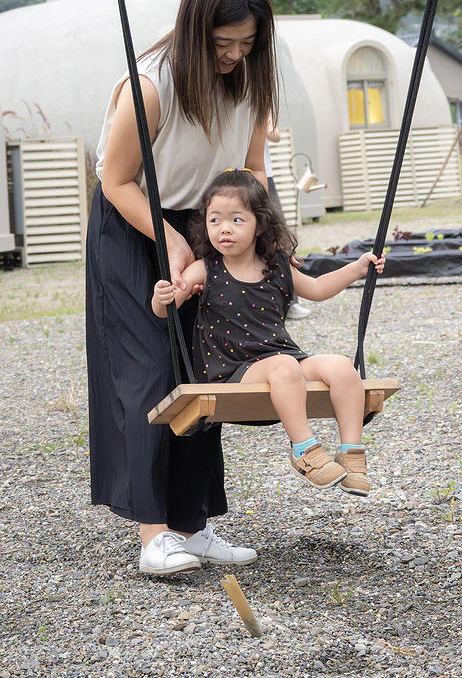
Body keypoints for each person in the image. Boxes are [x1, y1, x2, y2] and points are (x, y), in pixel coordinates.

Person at [87, 0, 279, 576]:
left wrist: (262, 237)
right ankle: (153, 535)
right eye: (223, 44)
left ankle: (194, 525)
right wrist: (168, 239)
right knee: (149, 368)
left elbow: (251, 176)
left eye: (247, 44)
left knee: (204, 370)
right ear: (196, 33)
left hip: (207, 221)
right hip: (133, 221)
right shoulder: (151, 85)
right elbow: (114, 179)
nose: (234, 55)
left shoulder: (249, 83)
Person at [152, 169, 386, 497]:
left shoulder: (276, 266)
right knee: (284, 367)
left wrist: (358, 268)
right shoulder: (206, 268)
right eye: (215, 220)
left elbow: (317, 288)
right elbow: (166, 309)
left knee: (340, 367)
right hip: (232, 370)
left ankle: (351, 453)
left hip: (281, 358)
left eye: (236, 219)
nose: (224, 229)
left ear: (260, 225)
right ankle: (304, 450)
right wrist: (161, 297)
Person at [263, 116, 311, 320]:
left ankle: (291, 300)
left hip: (262, 172)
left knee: (278, 236)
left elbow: (274, 134)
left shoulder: (259, 94)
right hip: (229, 173)